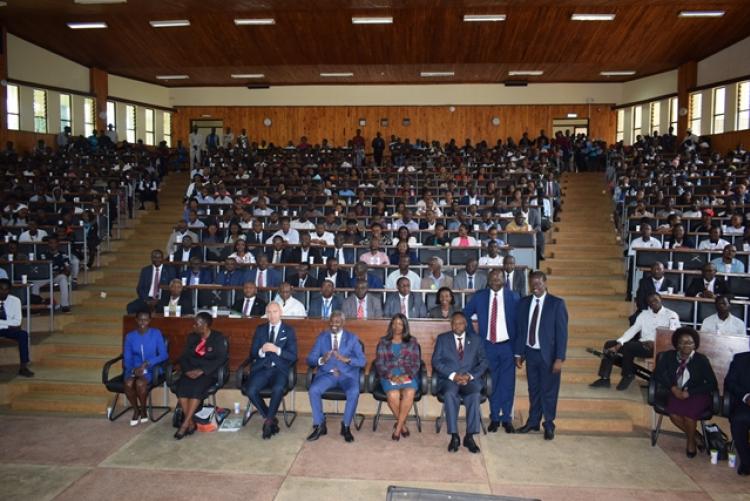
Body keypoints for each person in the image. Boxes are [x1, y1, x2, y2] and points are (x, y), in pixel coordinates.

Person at [464, 269, 520, 433]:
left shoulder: (514, 297)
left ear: (504, 280)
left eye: (498, 278)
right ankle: (495, 417)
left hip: (508, 346)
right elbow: (465, 314)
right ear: (488, 280)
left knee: (508, 384)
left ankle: (507, 419)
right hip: (487, 345)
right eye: (492, 278)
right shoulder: (480, 296)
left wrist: (518, 350)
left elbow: (521, 325)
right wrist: (475, 337)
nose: (495, 280)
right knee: (492, 382)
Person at [514, 271, 568, 440]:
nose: (535, 287)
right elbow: (521, 330)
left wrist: (559, 358)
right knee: (534, 390)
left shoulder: (556, 304)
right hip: (531, 354)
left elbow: (562, 333)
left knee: (549, 391)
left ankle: (549, 424)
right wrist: (519, 353)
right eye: (532, 283)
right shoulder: (524, 303)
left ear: (545, 283)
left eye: (538, 283)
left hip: (549, 356)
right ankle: (533, 421)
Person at [590, 293, 679, 391]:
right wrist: (620, 343)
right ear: (648, 304)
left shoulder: (671, 315)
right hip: (642, 345)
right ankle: (604, 378)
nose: (654, 303)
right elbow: (633, 330)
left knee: (629, 347)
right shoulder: (644, 314)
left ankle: (628, 374)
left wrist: (655, 342)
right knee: (609, 344)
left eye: (656, 300)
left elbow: (673, 335)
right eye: (650, 302)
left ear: (661, 300)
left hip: (657, 347)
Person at [653, 327, 717, 457]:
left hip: (696, 394)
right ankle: (696, 436)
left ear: (695, 345)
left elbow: (712, 384)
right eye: (683, 342)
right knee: (674, 415)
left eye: (690, 342)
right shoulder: (668, 356)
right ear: (677, 343)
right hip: (676, 392)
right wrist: (672, 387)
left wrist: (689, 393)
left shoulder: (701, 360)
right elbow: (657, 374)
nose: (686, 345)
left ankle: (691, 443)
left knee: (688, 416)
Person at [431, 312, 488, 453]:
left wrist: (470, 376)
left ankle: (469, 436)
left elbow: (484, 362)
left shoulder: (476, 340)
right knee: (450, 394)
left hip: (470, 379)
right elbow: (436, 361)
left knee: (474, 394)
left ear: (466, 324)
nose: (457, 326)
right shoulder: (443, 339)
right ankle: (454, 436)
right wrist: (453, 375)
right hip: (450, 379)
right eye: (455, 323)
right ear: (451, 325)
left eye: (461, 323)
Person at [306, 311, 366, 443]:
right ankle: (319, 425)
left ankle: (345, 426)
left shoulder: (352, 338)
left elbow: (362, 361)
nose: (334, 324)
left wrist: (347, 359)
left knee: (353, 392)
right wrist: (322, 359)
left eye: (337, 322)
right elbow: (310, 359)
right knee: (313, 390)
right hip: (328, 375)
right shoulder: (322, 338)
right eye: (332, 322)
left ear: (343, 323)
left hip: (347, 376)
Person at [244, 302, 298, 439]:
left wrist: (277, 350)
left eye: (275, 312)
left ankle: (268, 422)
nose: (272, 315)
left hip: (280, 369)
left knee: (278, 388)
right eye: (269, 312)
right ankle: (270, 418)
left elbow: (293, 356)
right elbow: (252, 353)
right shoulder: (260, 329)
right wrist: (262, 350)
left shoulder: (289, 330)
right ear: (266, 314)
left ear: (280, 313)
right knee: (250, 390)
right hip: (262, 368)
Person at [173, 312, 228, 439]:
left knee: (196, 389)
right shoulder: (192, 337)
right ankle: (191, 422)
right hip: (190, 371)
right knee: (181, 389)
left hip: (208, 372)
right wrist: (187, 370)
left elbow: (221, 358)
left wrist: (202, 370)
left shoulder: (218, 338)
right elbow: (184, 356)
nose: (194, 326)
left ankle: (185, 424)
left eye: (196, 323)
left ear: (205, 325)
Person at [375, 314, 421, 440]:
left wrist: (405, 375)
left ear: (405, 326)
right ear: (391, 325)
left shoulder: (412, 341)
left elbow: (416, 363)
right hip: (388, 374)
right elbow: (379, 363)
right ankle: (403, 427)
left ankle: (398, 428)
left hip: (407, 374)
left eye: (400, 324)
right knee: (393, 395)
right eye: (394, 323)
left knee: (410, 391)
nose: (397, 326)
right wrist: (390, 376)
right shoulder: (383, 342)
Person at [122, 310, 168, 425]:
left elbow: (164, 354)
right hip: (134, 368)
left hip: (151, 367)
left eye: (146, 319)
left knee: (140, 384)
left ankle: (143, 410)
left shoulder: (156, 333)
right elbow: (127, 357)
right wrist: (133, 369)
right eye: (140, 319)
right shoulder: (130, 336)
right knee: (128, 383)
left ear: (150, 321)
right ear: (136, 320)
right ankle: (136, 410)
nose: (143, 322)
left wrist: (148, 363)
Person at [0, 279, 33, 377]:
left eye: (6, 289)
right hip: (9, 326)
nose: (3, 292)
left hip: (11, 330)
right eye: (0, 289)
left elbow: (17, 322)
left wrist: (3, 324)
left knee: (23, 334)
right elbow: (13, 322)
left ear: (9, 290)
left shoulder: (15, 301)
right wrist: (8, 324)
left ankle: (23, 367)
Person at [126, 250, 177, 314]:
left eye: (159, 257)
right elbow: (140, 288)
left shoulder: (170, 270)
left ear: (163, 258)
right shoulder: (145, 270)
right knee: (130, 307)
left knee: (165, 309)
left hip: (162, 300)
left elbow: (173, 288)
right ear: (151, 258)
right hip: (147, 299)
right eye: (154, 257)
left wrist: (158, 300)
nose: (157, 259)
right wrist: (147, 300)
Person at [725, 350, 750, 476]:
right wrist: (746, 397)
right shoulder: (740, 359)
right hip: (746, 404)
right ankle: (746, 462)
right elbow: (730, 383)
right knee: (739, 420)